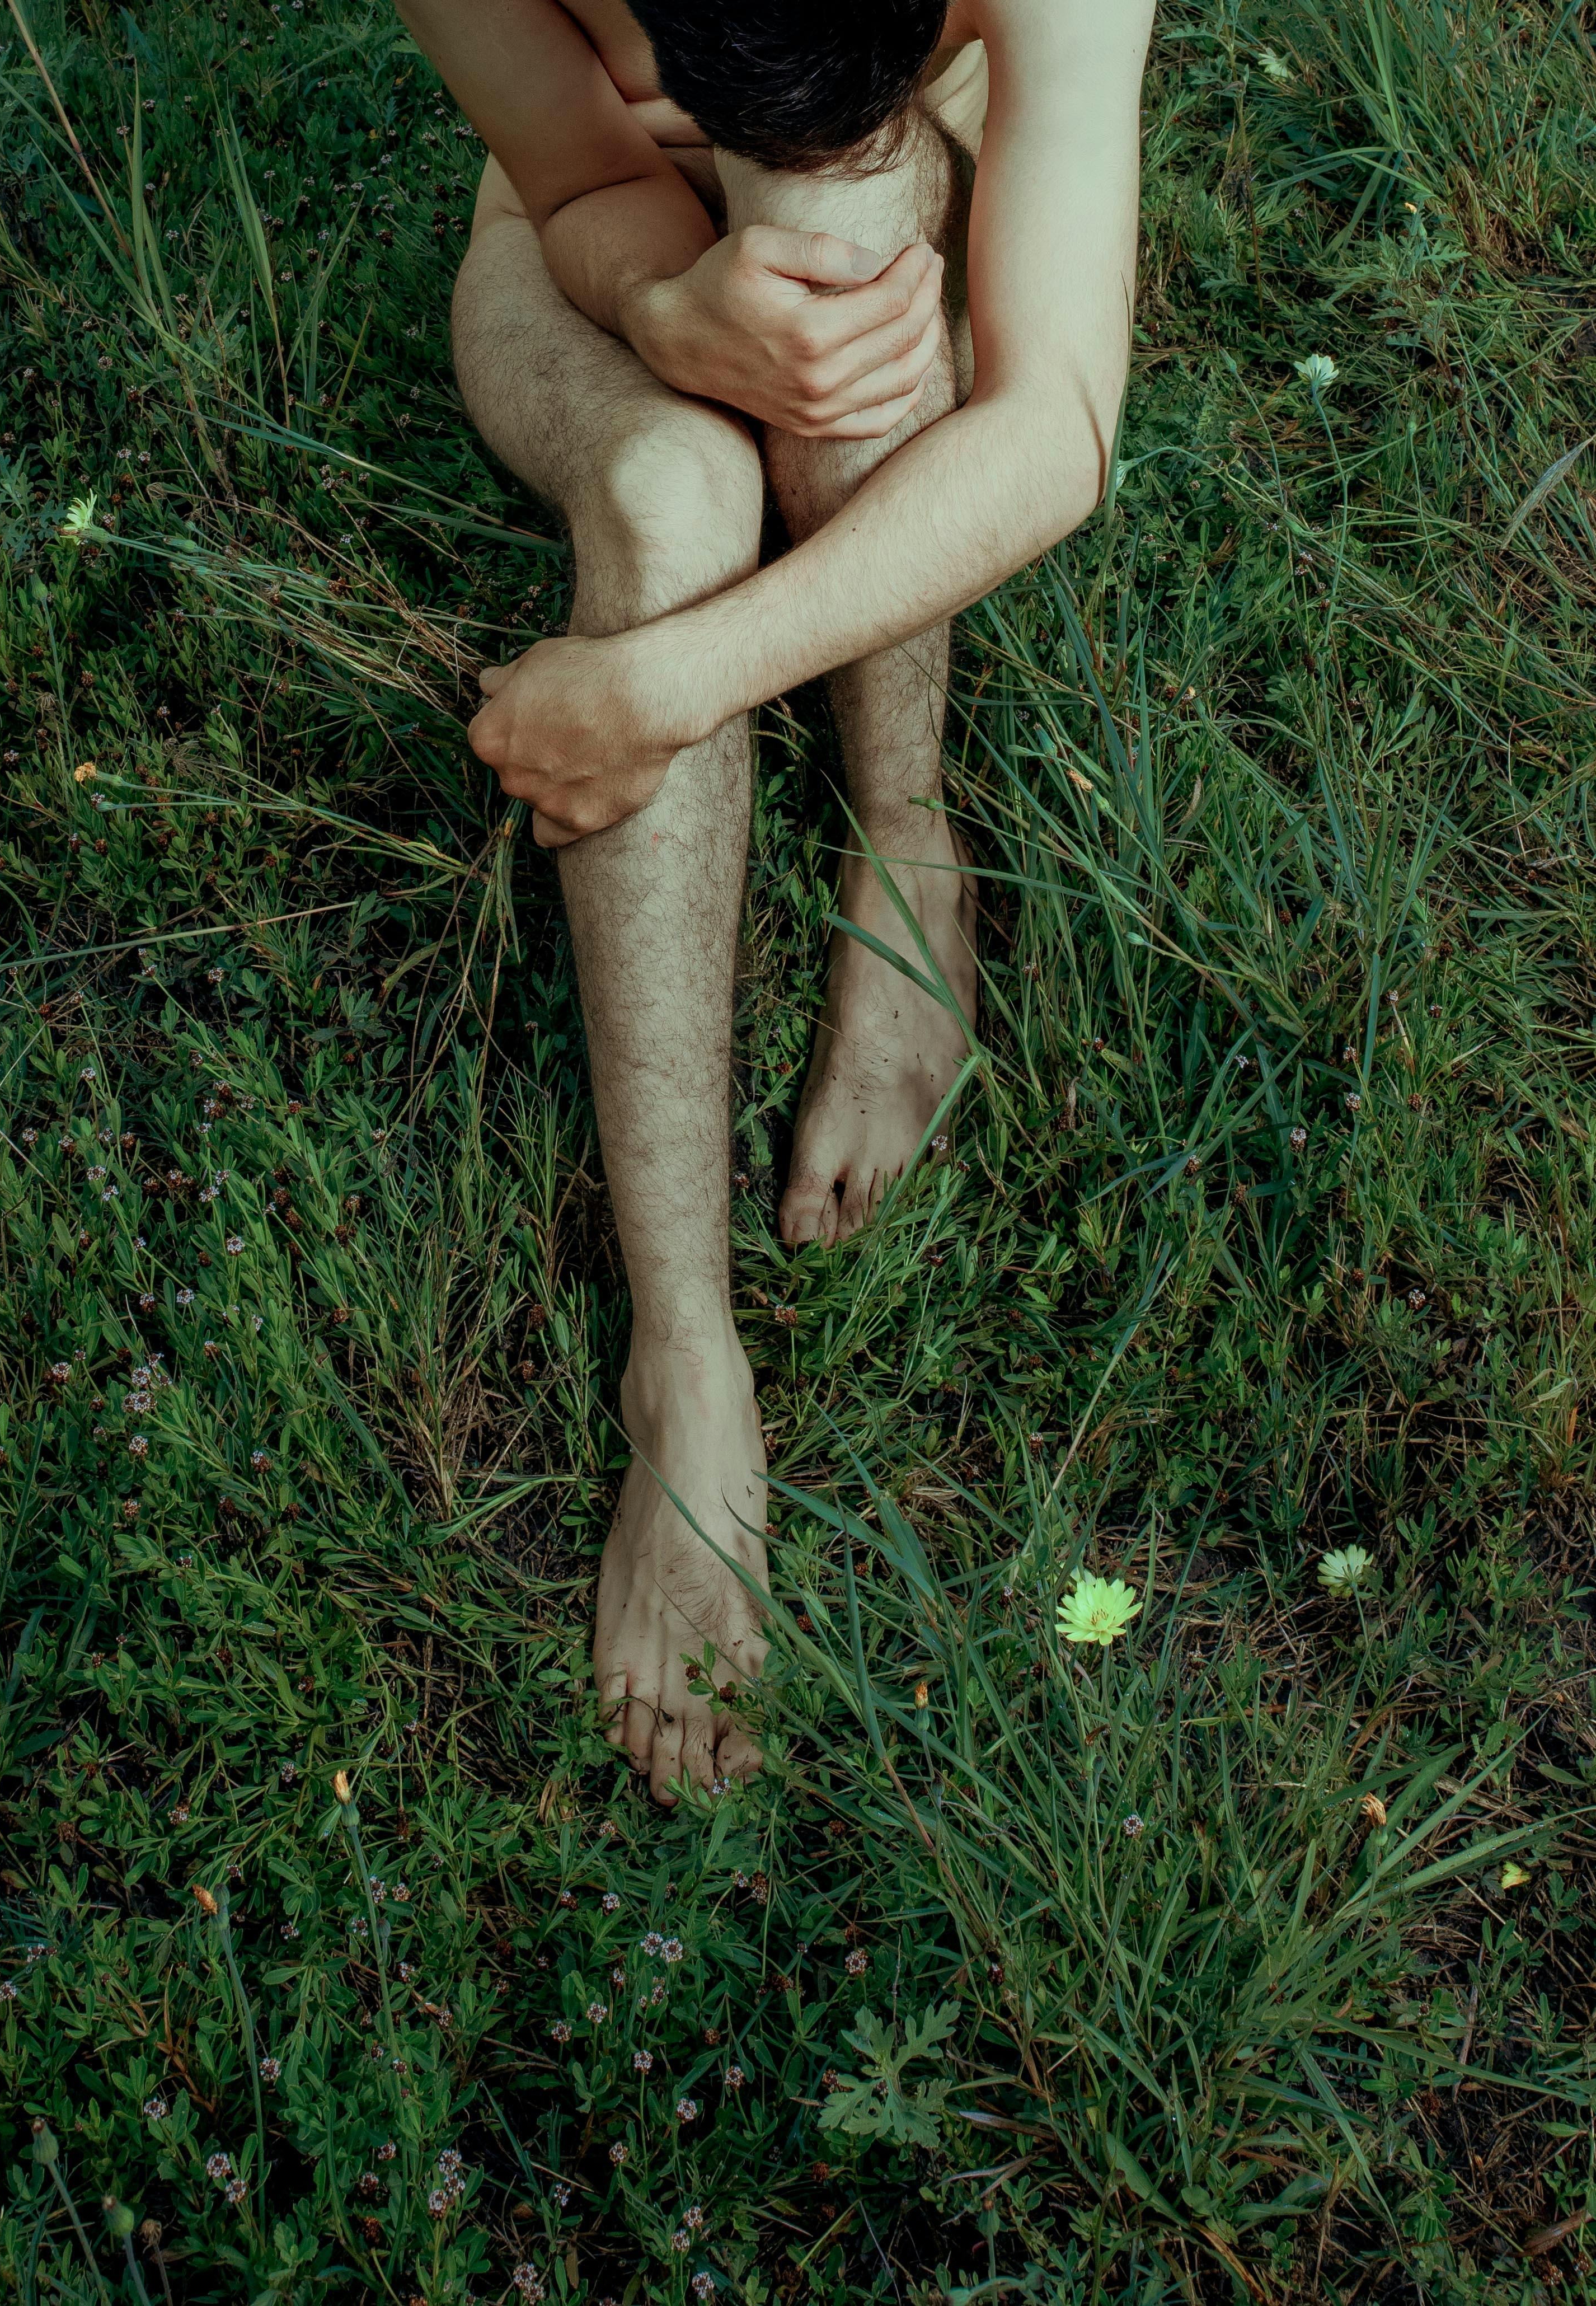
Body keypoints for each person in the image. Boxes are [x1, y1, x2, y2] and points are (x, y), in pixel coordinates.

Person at [395, 0, 1153, 1803]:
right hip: (581, 242)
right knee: (671, 501)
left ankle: (905, 830)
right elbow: (573, 172)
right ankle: (684, 1350)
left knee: (841, 244)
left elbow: (1056, 416)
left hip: (896, 202)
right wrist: (667, 310)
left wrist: (657, 694)